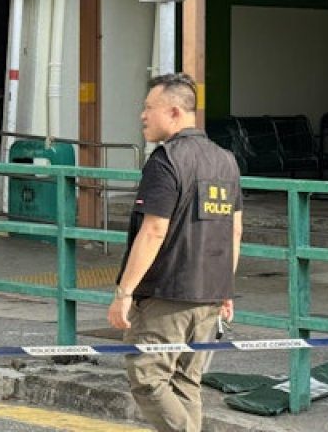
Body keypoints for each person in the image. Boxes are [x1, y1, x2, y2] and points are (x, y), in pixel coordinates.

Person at [107, 73, 243, 432]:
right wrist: (225, 288)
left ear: (173, 112)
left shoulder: (166, 160)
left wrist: (124, 292)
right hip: (210, 294)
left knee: (147, 377)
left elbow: (154, 230)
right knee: (185, 382)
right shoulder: (226, 161)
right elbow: (234, 229)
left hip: (167, 294)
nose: (142, 115)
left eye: (148, 108)